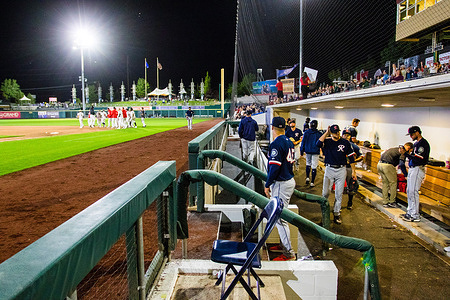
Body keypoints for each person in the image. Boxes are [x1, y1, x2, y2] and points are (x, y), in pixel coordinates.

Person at [265, 116, 296, 261]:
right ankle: (283, 245)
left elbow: (274, 167)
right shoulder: (289, 141)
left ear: (272, 128)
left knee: (279, 218)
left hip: (281, 183)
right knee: (279, 218)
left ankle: (289, 253)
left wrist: (267, 184)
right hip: (288, 180)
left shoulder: (277, 143)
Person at [317, 124, 356, 224]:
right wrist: (326, 133)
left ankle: (336, 213)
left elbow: (351, 157)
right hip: (329, 168)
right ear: (331, 132)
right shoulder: (327, 141)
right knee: (325, 193)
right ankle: (324, 213)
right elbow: (318, 144)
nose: (337, 134)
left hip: (341, 169)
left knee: (339, 194)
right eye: (334, 132)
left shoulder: (345, 142)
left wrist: (354, 171)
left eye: (338, 132)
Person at [401, 126, 430, 222]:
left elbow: (418, 159)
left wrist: (405, 153)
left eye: (412, 134)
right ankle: (410, 212)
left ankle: (415, 215)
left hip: (418, 168)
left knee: (413, 192)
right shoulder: (417, 143)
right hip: (413, 168)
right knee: (409, 191)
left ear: (417, 132)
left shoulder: (423, 143)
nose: (411, 136)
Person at [377, 142, 413, 208]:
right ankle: (392, 202)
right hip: (387, 166)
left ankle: (385, 202)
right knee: (393, 183)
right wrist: (406, 175)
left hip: (379, 164)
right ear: (408, 148)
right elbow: (402, 164)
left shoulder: (395, 148)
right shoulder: (403, 151)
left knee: (385, 183)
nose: (410, 153)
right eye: (410, 151)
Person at [342, 129, 364, 209]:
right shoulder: (338, 144)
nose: (346, 136)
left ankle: (350, 202)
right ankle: (337, 206)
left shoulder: (353, 146)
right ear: (342, 135)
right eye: (345, 135)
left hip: (348, 168)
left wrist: (354, 161)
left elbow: (361, 156)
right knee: (338, 188)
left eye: (348, 135)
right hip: (340, 168)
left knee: (351, 186)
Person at [300, 120, 322, 187]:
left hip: (308, 150)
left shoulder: (306, 133)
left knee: (308, 164)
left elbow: (303, 142)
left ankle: (307, 178)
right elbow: (321, 143)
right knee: (314, 166)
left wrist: (302, 150)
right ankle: (312, 182)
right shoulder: (319, 134)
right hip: (315, 151)